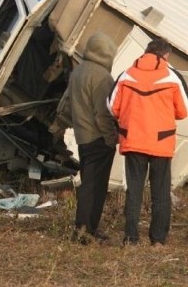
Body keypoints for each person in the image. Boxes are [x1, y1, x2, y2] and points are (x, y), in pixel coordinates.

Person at [108, 37, 188, 247]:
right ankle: (158, 240)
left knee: (134, 189)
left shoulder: (126, 75)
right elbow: (183, 110)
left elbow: (112, 107)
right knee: (160, 191)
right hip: (161, 142)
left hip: (133, 139)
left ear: (145, 52)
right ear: (166, 55)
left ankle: (131, 238)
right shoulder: (173, 76)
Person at [66, 32, 118, 243]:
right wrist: (111, 137)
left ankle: (85, 227)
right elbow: (103, 113)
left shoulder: (77, 71)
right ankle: (86, 229)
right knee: (95, 186)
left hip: (83, 136)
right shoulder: (102, 76)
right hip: (98, 138)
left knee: (88, 182)